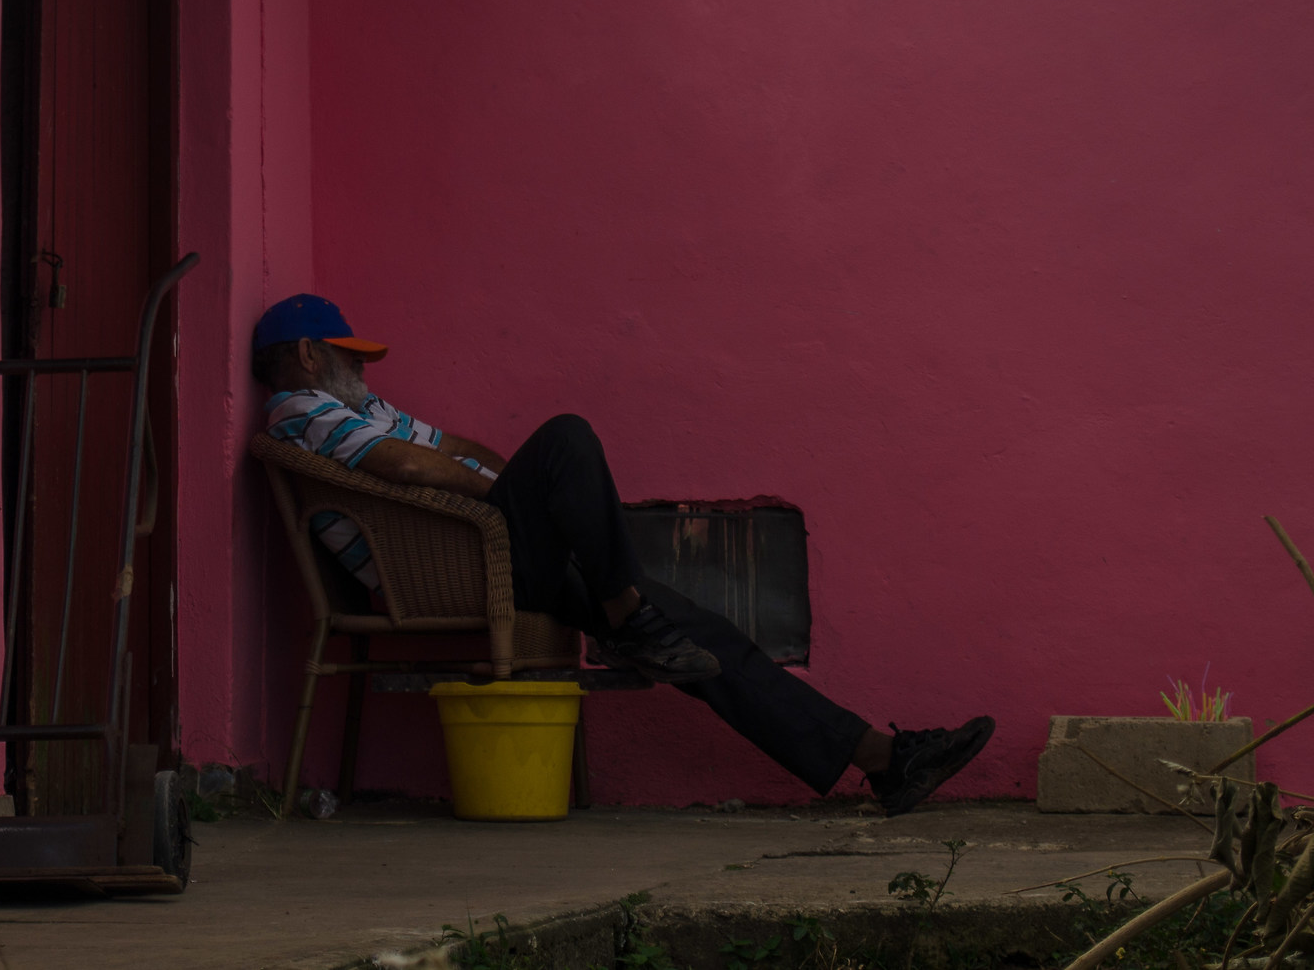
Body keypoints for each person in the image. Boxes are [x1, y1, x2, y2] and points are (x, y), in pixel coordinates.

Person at [253, 292, 993, 815]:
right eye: (352, 355)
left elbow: (448, 446)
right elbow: (411, 468)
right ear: (311, 353)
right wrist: (506, 495)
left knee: (696, 631)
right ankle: (628, 612)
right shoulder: (300, 409)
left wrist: (511, 484)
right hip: (454, 565)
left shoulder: (360, 406)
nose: (366, 369)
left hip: (496, 547)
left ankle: (881, 760)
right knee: (568, 436)